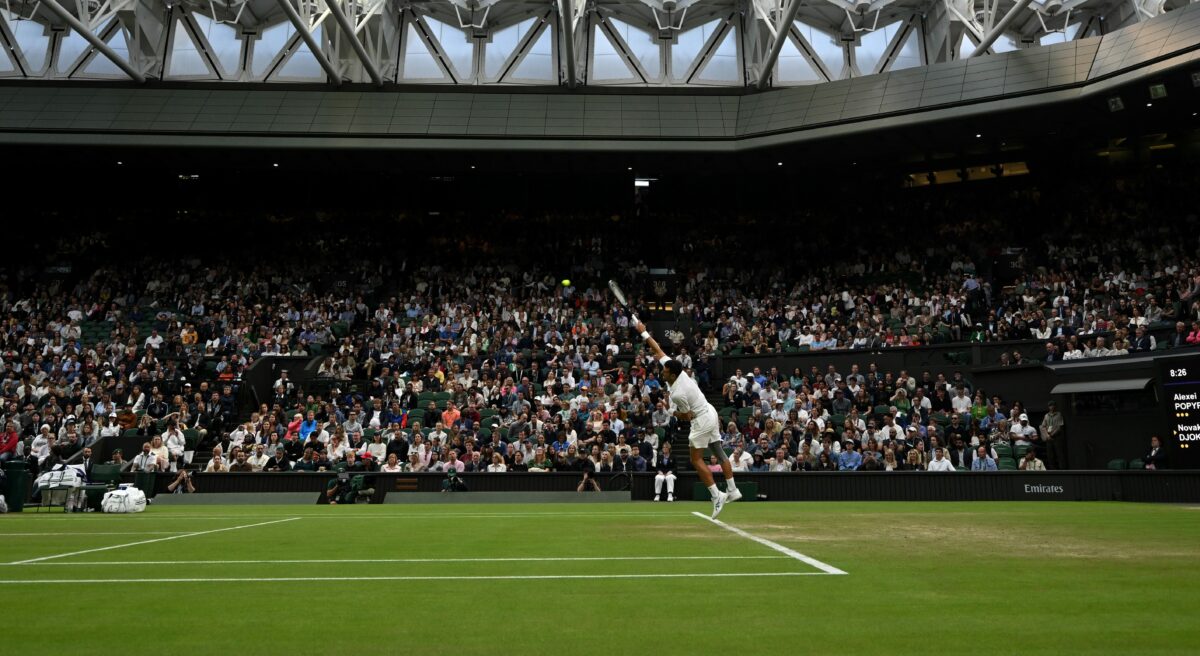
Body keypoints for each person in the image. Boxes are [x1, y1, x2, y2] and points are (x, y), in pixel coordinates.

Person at [638, 320, 739, 517]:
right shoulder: (680, 372)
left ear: (672, 374)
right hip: (710, 411)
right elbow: (658, 350)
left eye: (665, 371)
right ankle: (733, 489)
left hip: (700, 419)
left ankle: (716, 494)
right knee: (718, 451)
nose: (662, 371)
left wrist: (671, 412)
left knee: (696, 460)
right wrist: (643, 333)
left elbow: (687, 415)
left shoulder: (677, 393)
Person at [1040, 402, 1066, 469]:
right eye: (1050, 405)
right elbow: (1043, 426)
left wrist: (1052, 435)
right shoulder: (1046, 415)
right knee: (1050, 456)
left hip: (1056, 437)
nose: (1051, 407)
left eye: (1053, 405)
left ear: (1055, 406)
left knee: (1060, 455)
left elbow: (1059, 427)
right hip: (1049, 438)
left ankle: (1062, 471)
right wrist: (1047, 435)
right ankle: (1052, 471)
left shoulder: (1058, 414)